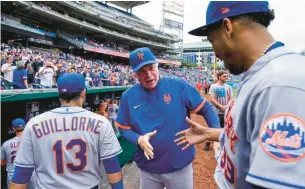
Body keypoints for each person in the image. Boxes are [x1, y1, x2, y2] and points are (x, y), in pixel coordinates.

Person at [175, 1, 305, 189]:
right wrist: (208, 133)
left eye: (212, 41)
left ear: (227, 27)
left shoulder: (280, 82)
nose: (215, 52)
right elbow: (254, 136)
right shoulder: (262, 72)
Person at [115, 47, 220, 189]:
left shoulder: (178, 85)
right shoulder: (128, 96)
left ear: (157, 66)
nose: (148, 75)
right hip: (148, 168)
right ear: (135, 74)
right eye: (141, 71)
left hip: (180, 166)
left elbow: (206, 108)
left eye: (151, 68)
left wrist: (216, 135)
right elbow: (123, 128)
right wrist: (138, 139)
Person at [10, 73, 124, 189]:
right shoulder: (101, 122)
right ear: (83, 93)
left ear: (59, 94)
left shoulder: (33, 124)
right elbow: (112, 167)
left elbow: (21, 174)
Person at [1, 118, 36, 189]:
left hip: (13, 175)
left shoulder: (6, 144)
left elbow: (1, 163)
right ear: (25, 127)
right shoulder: (33, 141)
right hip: (31, 174)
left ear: (13, 129)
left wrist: (9, 159)